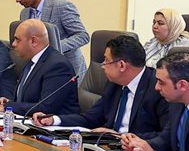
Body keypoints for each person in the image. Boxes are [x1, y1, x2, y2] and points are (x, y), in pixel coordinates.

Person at [31, 34, 169, 137]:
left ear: (122, 65)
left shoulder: (158, 88)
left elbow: (164, 136)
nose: (102, 66)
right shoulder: (114, 84)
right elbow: (90, 118)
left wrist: (120, 137)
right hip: (108, 147)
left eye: (106, 61)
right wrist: (53, 119)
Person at [11, 0, 89, 76]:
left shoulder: (62, 6)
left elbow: (83, 36)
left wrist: (55, 46)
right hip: (40, 71)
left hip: (67, 70)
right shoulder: (24, 13)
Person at [4, 19, 77, 120]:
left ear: (34, 41)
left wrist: (9, 106)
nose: (13, 44)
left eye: (17, 40)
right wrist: (8, 101)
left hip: (55, 127)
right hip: (29, 121)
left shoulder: (57, 66)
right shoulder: (32, 61)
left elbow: (46, 107)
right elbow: (26, 98)